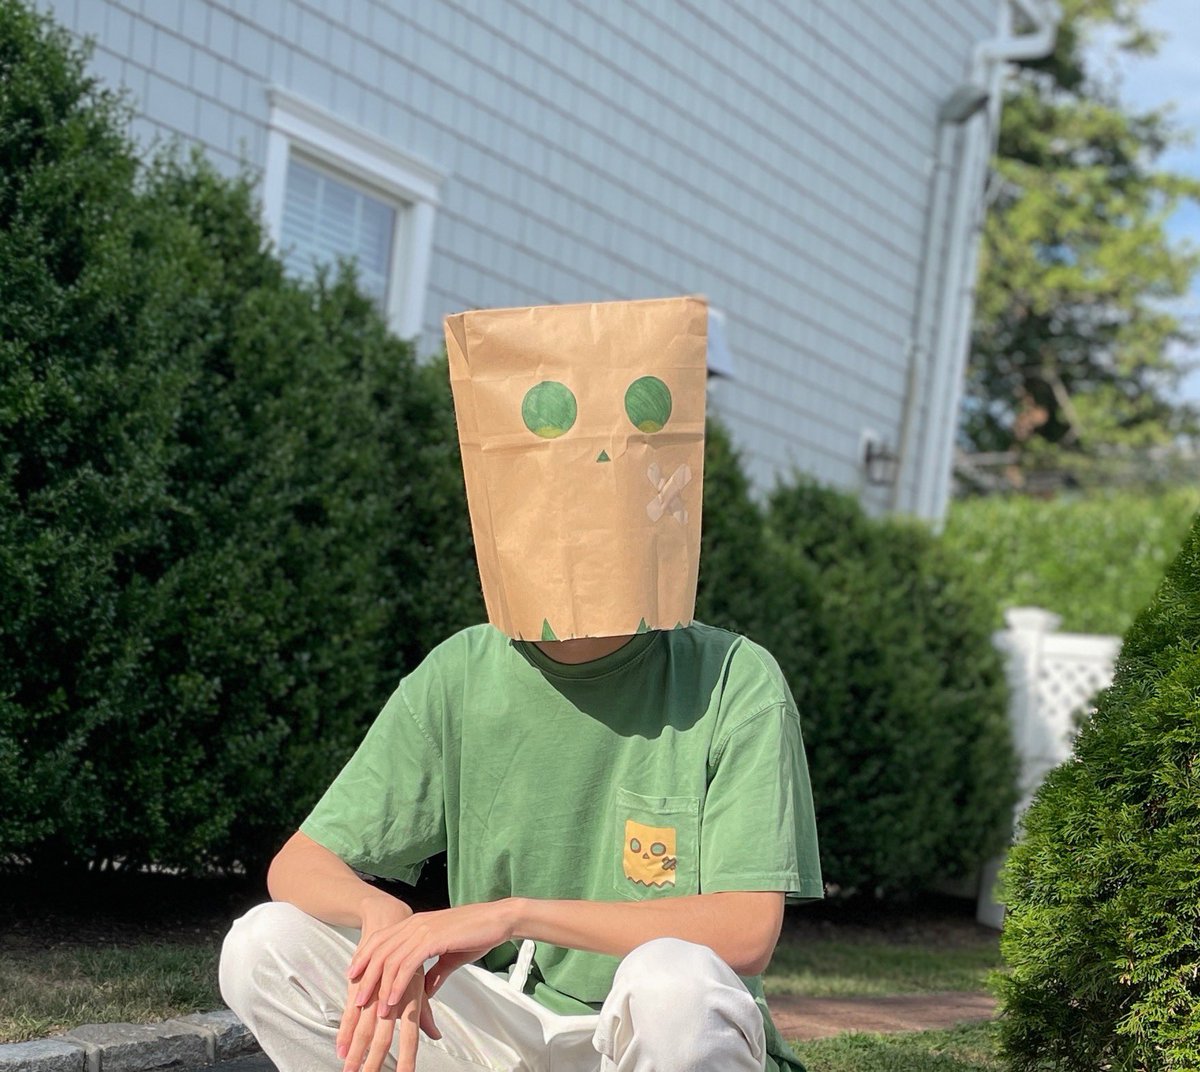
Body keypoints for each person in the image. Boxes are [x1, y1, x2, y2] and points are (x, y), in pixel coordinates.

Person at [218, 297, 823, 1072]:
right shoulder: (461, 672)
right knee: (263, 945)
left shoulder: (734, 680)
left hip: (638, 1034)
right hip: (495, 1024)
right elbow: (297, 864)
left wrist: (509, 916)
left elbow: (745, 932)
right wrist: (380, 913)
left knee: (672, 982)